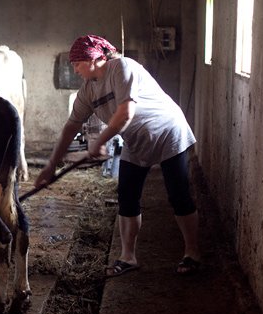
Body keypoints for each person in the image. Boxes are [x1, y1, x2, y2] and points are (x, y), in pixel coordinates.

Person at [34, 35, 200, 277]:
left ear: (93, 59)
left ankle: (192, 253)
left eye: (77, 64)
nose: (75, 70)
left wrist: (100, 143)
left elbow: (125, 113)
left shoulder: (123, 67)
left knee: (178, 193)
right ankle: (128, 257)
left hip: (166, 130)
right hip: (136, 139)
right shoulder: (87, 91)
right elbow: (71, 127)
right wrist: (50, 166)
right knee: (127, 196)